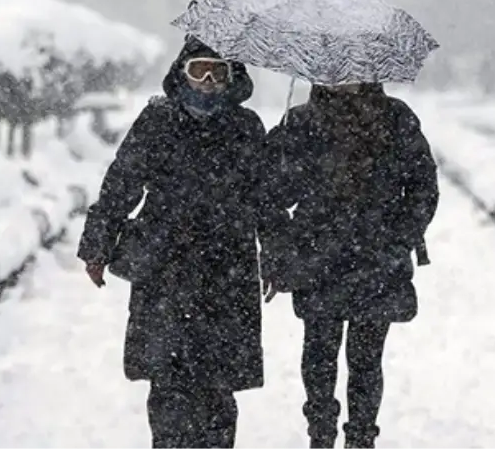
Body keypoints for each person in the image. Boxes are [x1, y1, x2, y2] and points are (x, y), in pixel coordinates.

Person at [77, 36, 272, 449]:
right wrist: (97, 243)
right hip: (165, 267)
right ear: (180, 72)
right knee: (167, 382)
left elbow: (267, 201)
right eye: (198, 68)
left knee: (218, 388)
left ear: (232, 77)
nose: (206, 80)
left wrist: (277, 256)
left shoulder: (247, 128)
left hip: (228, 270)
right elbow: (121, 184)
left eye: (217, 71)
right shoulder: (158, 120)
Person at [261, 83, 439, 449]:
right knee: (319, 352)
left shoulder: (395, 117)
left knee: (366, 359)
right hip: (319, 259)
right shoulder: (302, 122)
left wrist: (399, 236)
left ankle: (361, 436)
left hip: (377, 260)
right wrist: (280, 248)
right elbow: (273, 194)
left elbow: (423, 186)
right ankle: (321, 433)